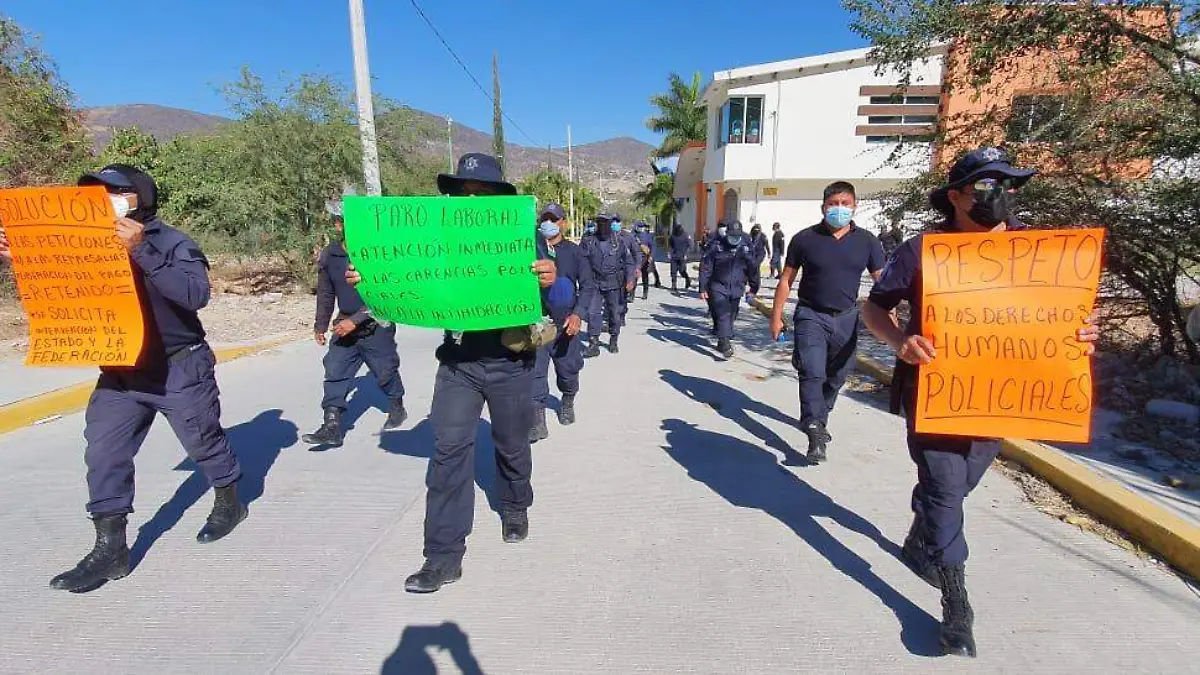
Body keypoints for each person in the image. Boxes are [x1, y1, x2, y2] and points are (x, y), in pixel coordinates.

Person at [861, 148, 1100, 658]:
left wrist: (1080, 331)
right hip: (936, 395)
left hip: (1000, 399)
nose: (1002, 197)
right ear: (956, 196)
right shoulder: (924, 249)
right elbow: (873, 309)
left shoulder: (1037, 250)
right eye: (988, 187)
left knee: (957, 485)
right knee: (946, 488)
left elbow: (1061, 316)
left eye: (1009, 186)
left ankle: (921, 532)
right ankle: (956, 605)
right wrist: (900, 340)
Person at [0, 165, 247, 592]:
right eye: (94, 192)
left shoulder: (171, 242)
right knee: (103, 454)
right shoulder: (83, 244)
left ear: (140, 197)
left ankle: (229, 499)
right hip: (120, 370)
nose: (103, 198)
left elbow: (195, 295)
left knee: (203, 443)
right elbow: (60, 288)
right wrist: (25, 255)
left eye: (114, 191)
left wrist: (140, 251)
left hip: (178, 366)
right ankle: (110, 549)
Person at [345, 153, 557, 594]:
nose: (471, 201)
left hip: (511, 364)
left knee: (512, 444)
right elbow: (406, 280)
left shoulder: (522, 237)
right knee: (447, 456)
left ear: (498, 200)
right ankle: (442, 556)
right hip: (458, 366)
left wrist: (551, 280)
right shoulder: (437, 240)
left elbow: (564, 296)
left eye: (481, 194)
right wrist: (371, 279)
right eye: (463, 194)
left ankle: (515, 506)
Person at [769, 181, 886, 465]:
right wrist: (776, 316)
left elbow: (882, 280)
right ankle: (814, 429)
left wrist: (889, 314)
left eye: (845, 203)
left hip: (847, 318)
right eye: (833, 204)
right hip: (811, 315)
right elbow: (786, 279)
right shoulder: (804, 239)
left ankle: (818, 417)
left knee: (836, 377)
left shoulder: (868, 241)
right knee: (811, 371)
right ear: (823, 207)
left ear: (855, 205)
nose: (839, 209)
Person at [302, 214, 407, 447]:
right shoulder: (331, 255)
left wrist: (357, 320)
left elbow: (386, 294)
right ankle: (331, 426)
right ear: (339, 225)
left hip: (376, 323)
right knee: (334, 369)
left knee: (385, 371)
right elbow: (326, 292)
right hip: (345, 323)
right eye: (346, 221)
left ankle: (397, 404)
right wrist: (320, 324)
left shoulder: (376, 252)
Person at [530, 203, 593, 442]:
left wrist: (578, 314)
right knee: (535, 371)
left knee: (568, 369)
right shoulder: (532, 249)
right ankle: (537, 420)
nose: (548, 223)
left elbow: (587, 287)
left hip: (566, 322)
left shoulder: (575, 253)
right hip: (538, 322)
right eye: (544, 218)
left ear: (563, 223)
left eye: (553, 219)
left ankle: (567, 399)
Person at [699, 221, 760, 358]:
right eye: (732, 235)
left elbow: (753, 269)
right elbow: (706, 267)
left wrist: (754, 287)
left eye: (737, 236)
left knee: (732, 315)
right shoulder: (717, 246)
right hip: (718, 286)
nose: (734, 239)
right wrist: (702, 287)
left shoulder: (745, 248)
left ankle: (722, 339)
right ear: (727, 234)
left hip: (737, 287)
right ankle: (725, 345)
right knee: (722, 314)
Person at [582, 213, 635, 356]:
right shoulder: (589, 241)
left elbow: (629, 262)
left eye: (605, 222)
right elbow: (581, 262)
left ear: (610, 224)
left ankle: (613, 339)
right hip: (594, 283)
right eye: (600, 222)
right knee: (593, 312)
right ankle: (594, 344)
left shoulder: (620, 242)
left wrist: (630, 279)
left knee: (614, 314)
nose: (603, 225)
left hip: (614, 283)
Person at [634, 221, 661, 298]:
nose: (640, 229)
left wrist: (651, 256)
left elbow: (653, 247)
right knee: (635, 276)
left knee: (645, 276)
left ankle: (645, 292)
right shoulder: (634, 235)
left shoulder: (648, 236)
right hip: (636, 259)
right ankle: (632, 294)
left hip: (645, 258)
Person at [668, 224, 692, 292]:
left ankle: (687, 279)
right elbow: (670, 245)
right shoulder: (673, 236)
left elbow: (689, 245)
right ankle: (674, 285)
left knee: (682, 271)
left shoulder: (686, 235)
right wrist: (669, 252)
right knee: (673, 271)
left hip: (682, 256)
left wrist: (686, 254)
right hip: (674, 256)